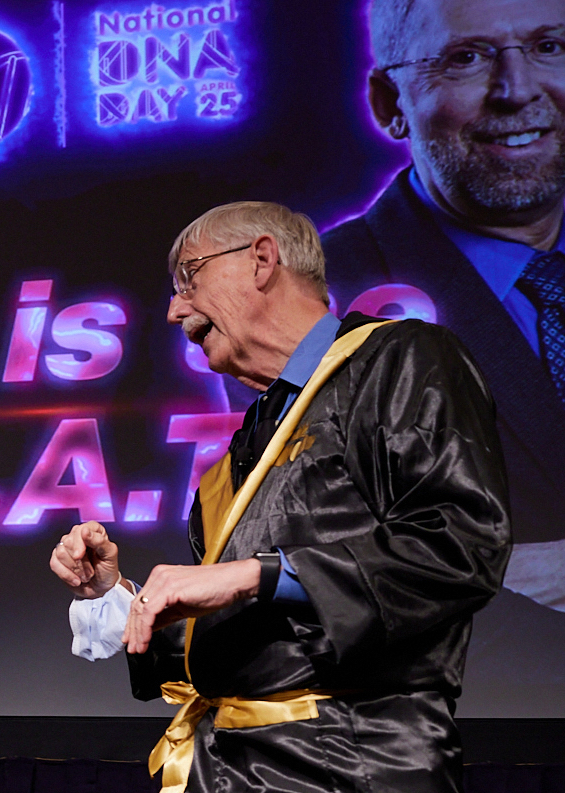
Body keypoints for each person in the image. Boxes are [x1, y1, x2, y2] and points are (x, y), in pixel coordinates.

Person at [51, 202, 511, 792]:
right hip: (227, 767)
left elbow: (461, 547)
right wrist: (115, 596)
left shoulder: (400, 360)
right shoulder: (237, 453)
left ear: (262, 260)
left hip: (350, 764)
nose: (173, 310)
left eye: (189, 279)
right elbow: (240, 640)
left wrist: (257, 575)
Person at [322, 0, 565, 620]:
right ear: (389, 104)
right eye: (466, 58)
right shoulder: (311, 299)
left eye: (549, 48)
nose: (518, 90)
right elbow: (325, 556)